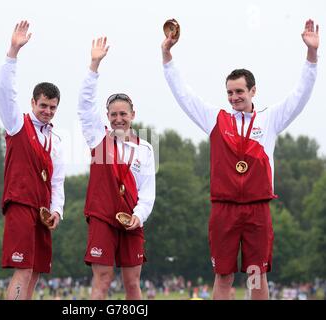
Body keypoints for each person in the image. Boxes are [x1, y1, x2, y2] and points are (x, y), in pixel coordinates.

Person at [161, 19, 319, 299]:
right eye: (230, 92)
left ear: (253, 91)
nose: (234, 97)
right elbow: (183, 94)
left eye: (239, 92)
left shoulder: (269, 119)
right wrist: (167, 56)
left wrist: (311, 56)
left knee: (257, 276)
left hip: (258, 208)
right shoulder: (215, 119)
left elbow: (300, 96)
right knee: (223, 275)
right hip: (224, 208)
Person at [78, 37, 156, 300]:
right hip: (102, 217)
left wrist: (139, 216)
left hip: (132, 220)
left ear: (133, 114)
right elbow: (84, 107)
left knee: (132, 283)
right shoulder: (99, 140)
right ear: (107, 116)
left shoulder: (145, 148)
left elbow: (147, 192)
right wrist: (94, 66)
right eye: (113, 114)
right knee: (102, 280)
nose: (119, 119)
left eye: (123, 114)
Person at [0, 20, 65, 300]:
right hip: (21, 204)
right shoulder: (16, 124)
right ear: (32, 103)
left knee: (35, 271)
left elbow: (57, 181)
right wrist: (13, 52)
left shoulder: (57, 140)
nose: (47, 111)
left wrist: (57, 211)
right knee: (23, 269)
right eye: (43, 105)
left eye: (52, 107)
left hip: (42, 212)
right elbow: (4, 94)